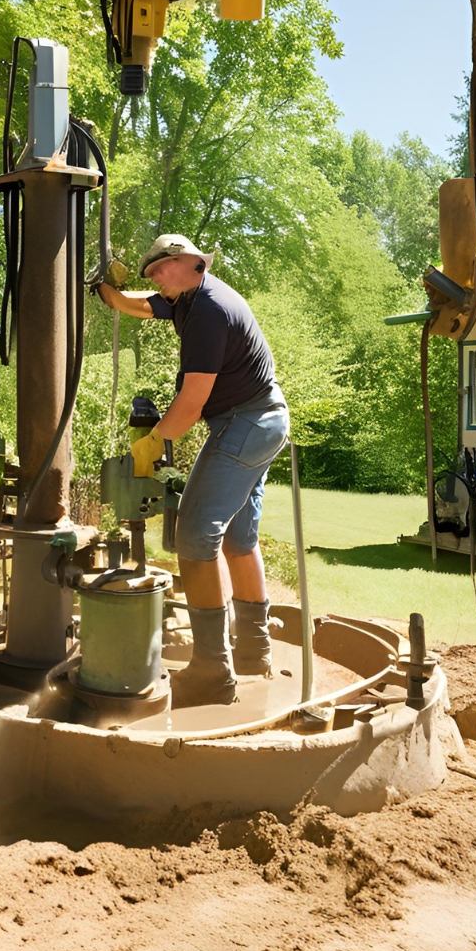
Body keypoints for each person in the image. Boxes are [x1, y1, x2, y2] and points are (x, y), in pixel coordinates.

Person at [97, 235, 289, 707]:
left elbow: (191, 401)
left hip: (244, 422)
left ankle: (211, 671)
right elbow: (143, 308)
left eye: (159, 269)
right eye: (149, 276)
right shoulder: (186, 298)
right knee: (238, 539)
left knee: (195, 536)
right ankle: (253, 652)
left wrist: (155, 440)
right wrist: (109, 294)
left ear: (186, 263)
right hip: (262, 418)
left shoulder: (207, 311)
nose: (154, 279)